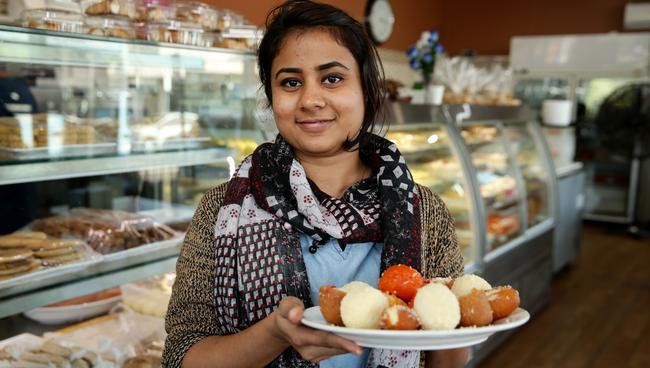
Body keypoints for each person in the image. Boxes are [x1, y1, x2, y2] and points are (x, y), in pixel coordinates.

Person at [162, 1, 468, 367]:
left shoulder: (422, 210)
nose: (310, 99)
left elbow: (447, 358)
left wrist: (457, 315)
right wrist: (273, 334)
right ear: (271, 97)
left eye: (332, 78)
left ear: (366, 90)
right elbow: (181, 356)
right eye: (291, 82)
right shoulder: (223, 208)